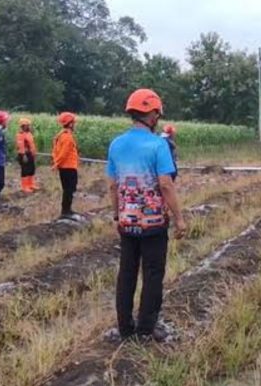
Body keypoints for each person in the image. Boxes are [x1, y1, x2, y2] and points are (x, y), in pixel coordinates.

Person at [107, 88, 187, 342]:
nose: (158, 118)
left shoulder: (116, 144)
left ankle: (125, 327)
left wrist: (116, 214)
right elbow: (165, 184)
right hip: (153, 224)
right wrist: (179, 218)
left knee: (127, 273)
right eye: (157, 113)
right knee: (153, 273)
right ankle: (146, 328)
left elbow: (112, 184)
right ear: (151, 114)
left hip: (126, 222)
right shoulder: (158, 144)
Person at [52, 112, 80, 220]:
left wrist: (56, 162)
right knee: (69, 189)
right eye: (74, 123)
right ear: (70, 124)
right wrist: (56, 164)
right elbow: (63, 153)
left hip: (65, 167)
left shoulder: (60, 135)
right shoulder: (67, 137)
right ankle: (66, 211)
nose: (75, 125)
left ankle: (67, 209)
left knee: (67, 189)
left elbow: (55, 151)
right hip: (69, 167)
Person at [16, 117, 38, 193]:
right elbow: (21, 145)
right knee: (25, 170)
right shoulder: (20, 134)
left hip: (30, 154)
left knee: (32, 169)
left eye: (29, 125)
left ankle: (31, 184)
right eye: (27, 125)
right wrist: (24, 155)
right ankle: (24, 186)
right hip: (24, 154)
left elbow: (32, 144)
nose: (29, 126)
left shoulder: (29, 133)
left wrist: (34, 153)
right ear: (23, 126)